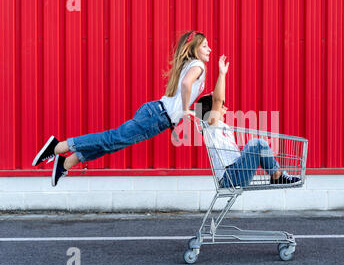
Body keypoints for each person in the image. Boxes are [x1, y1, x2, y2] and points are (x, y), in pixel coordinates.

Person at [33, 31, 215, 186]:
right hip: (157, 116)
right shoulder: (199, 66)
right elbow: (185, 84)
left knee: (113, 143)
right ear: (194, 49)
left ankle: (65, 164)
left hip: (157, 116)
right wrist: (184, 109)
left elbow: (182, 90)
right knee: (112, 139)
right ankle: (57, 146)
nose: (210, 50)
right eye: (205, 46)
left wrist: (178, 115)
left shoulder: (189, 64)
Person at [195, 56, 301, 189]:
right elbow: (217, 100)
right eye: (223, 106)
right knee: (257, 144)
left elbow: (217, 100)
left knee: (257, 145)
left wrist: (213, 97)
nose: (226, 108)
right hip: (231, 176)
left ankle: (277, 175)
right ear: (212, 111)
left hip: (236, 173)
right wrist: (222, 74)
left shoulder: (221, 127)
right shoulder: (210, 126)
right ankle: (277, 176)